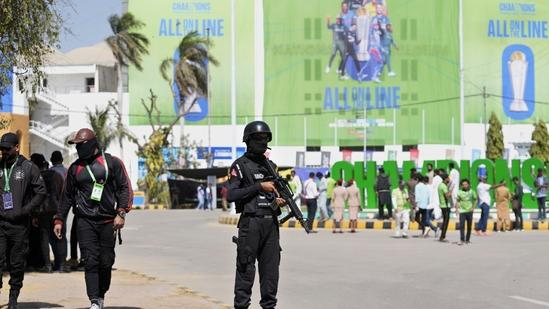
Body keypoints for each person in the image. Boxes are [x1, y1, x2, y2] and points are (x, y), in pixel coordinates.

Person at [54, 128, 133, 309]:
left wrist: (121, 212)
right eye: (76, 146)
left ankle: (101, 294)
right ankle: (94, 299)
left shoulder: (112, 163)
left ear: (91, 144)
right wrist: (59, 219)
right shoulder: (75, 168)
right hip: (84, 221)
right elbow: (66, 196)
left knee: (106, 261)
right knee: (90, 260)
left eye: (80, 145)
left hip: (107, 221)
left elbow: (124, 188)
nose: (78, 149)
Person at [227, 121, 286, 309]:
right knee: (245, 270)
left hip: (271, 225)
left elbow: (275, 196)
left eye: (265, 138)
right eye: (258, 138)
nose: (262, 141)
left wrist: (278, 201)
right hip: (250, 223)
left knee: (270, 274)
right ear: (249, 141)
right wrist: (259, 186)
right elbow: (231, 194)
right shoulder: (240, 166)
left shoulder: (272, 167)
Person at [0, 133, 46, 308]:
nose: (3, 152)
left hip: (19, 225)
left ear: (16, 148)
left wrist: (25, 211)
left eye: (6, 148)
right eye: (1, 149)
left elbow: (41, 192)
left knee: (17, 262)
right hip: (0, 222)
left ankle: (13, 298)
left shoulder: (28, 167)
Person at [30, 153, 65, 273]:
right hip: (56, 209)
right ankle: (60, 265)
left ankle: (47, 265)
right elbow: (62, 192)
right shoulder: (56, 175)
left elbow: (34, 197)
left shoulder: (35, 177)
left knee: (44, 238)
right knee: (58, 237)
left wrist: (34, 214)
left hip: (42, 211)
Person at [456, 179, 477, 245]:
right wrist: (457, 209)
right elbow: (457, 201)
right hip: (462, 211)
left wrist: (473, 207)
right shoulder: (459, 192)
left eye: (466, 184)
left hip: (469, 211)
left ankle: (467, 240)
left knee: (469, 226)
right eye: (463, 185)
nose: (465, 186)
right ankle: (462, 240)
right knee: (461, 225)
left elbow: (475, 199)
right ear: (461, 185)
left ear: (468, 184)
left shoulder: (472, 191)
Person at [438, 173, 452, 242]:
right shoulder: (443, 186)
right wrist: (451, 190)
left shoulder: (441, 185)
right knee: (446, 222)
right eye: (448, 178)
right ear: (446, 179)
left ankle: (442, 235)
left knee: (445, 221)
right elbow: (447, 196)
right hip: (445, 206)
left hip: (443, 205)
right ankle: (442, 237)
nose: (449, 179)